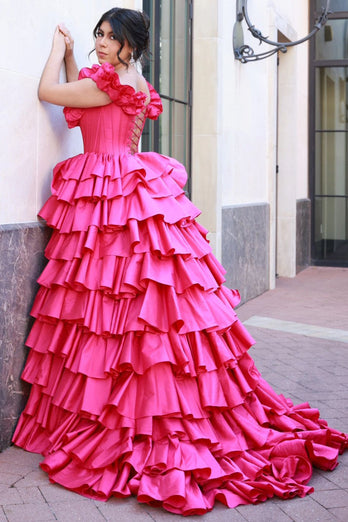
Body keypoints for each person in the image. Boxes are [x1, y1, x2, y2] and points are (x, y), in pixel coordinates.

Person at [12, 7, 347, 516]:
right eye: (97, 35)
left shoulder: (109, 84)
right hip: (124, 194)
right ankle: (135, 396)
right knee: (118, 304)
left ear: (131, 44)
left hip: (110, 199)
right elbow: (82, 97)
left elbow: (49, 95)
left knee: (109, 303)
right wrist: (75, 60)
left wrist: (57, 54)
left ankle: (133, 410)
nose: (100, 43)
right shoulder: (131, 81)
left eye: (110, 37)